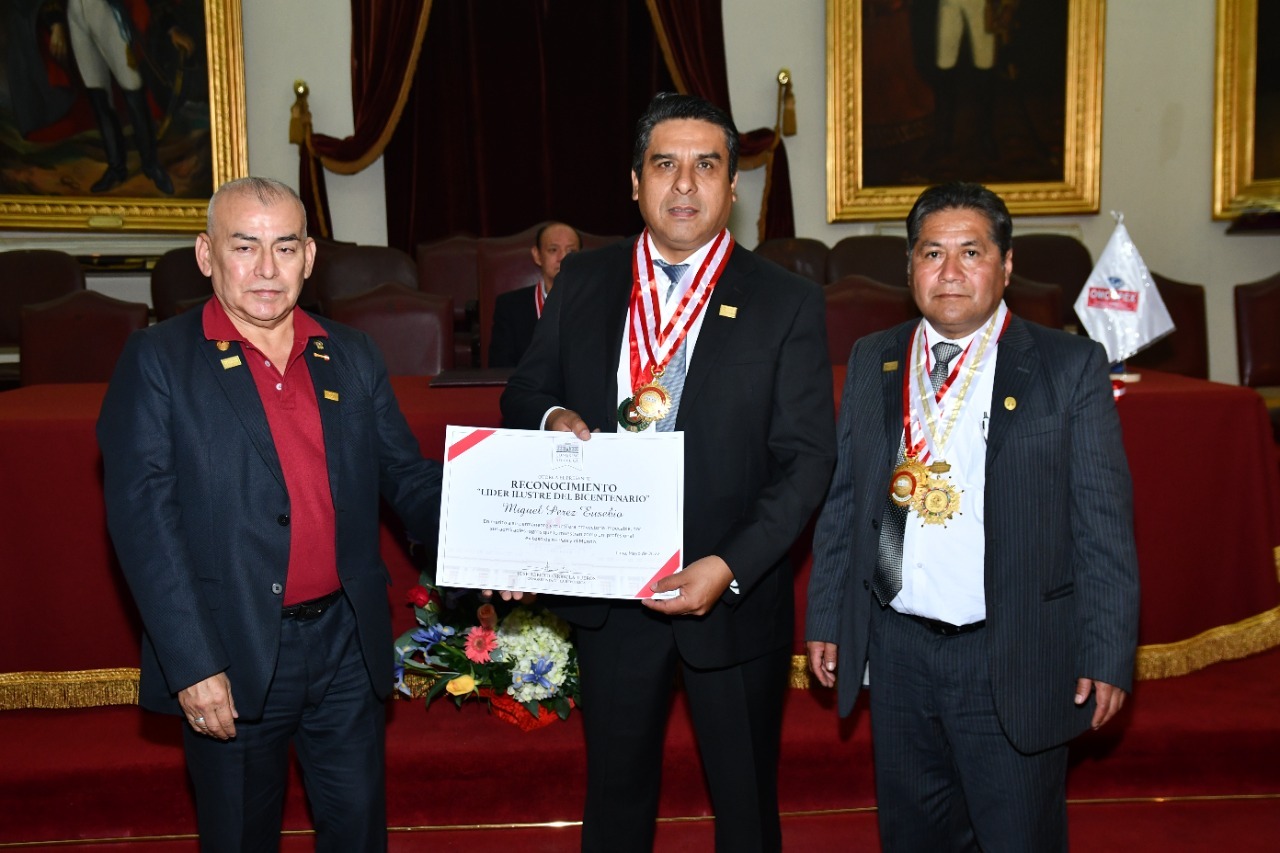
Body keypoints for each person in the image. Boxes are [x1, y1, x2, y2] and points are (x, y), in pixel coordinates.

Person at [500, 92, 836, 852]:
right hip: (610, 595)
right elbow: (524, 391)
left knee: (746, 809)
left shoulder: (786, 302)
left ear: (732, 186)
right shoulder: (583, 280)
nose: (684, 184)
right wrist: (554, 420)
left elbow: (809, 458)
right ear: (634, 181)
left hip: (731, 598)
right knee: (614, 802)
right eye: (665, 164)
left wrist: (732, 564)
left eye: (706, 165)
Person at [97, 177, 442, 851]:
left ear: (310, 257)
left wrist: (485, 536)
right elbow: (144, 525)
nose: (265, 269)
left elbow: (404, 475)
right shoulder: (158, 360)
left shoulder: (351, 352)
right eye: (244, 246)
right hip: (233, 649)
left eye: (285, 247)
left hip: (346, 644)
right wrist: (191, 662)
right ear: (206, 254)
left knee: (358, 834)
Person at [805, 181, 1139, 852]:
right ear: (909, 267)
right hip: (897, 651)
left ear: (1006, 265)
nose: (950, 272)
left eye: (971, 252)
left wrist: (1107, 651)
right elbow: (847, 501)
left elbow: (1102, 525)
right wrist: (828, 616)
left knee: (1017, 834)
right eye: (932, 253)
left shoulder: (1067, 365)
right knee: (913, 836)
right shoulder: (876, 357)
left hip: (1007, 652)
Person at [488, 221, 581, 367]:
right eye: (553, 250)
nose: (563, 258)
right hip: (529, 388)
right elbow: (499, 368)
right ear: (537, 255)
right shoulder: (510, 307)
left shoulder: (596, 304)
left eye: (571, 251)